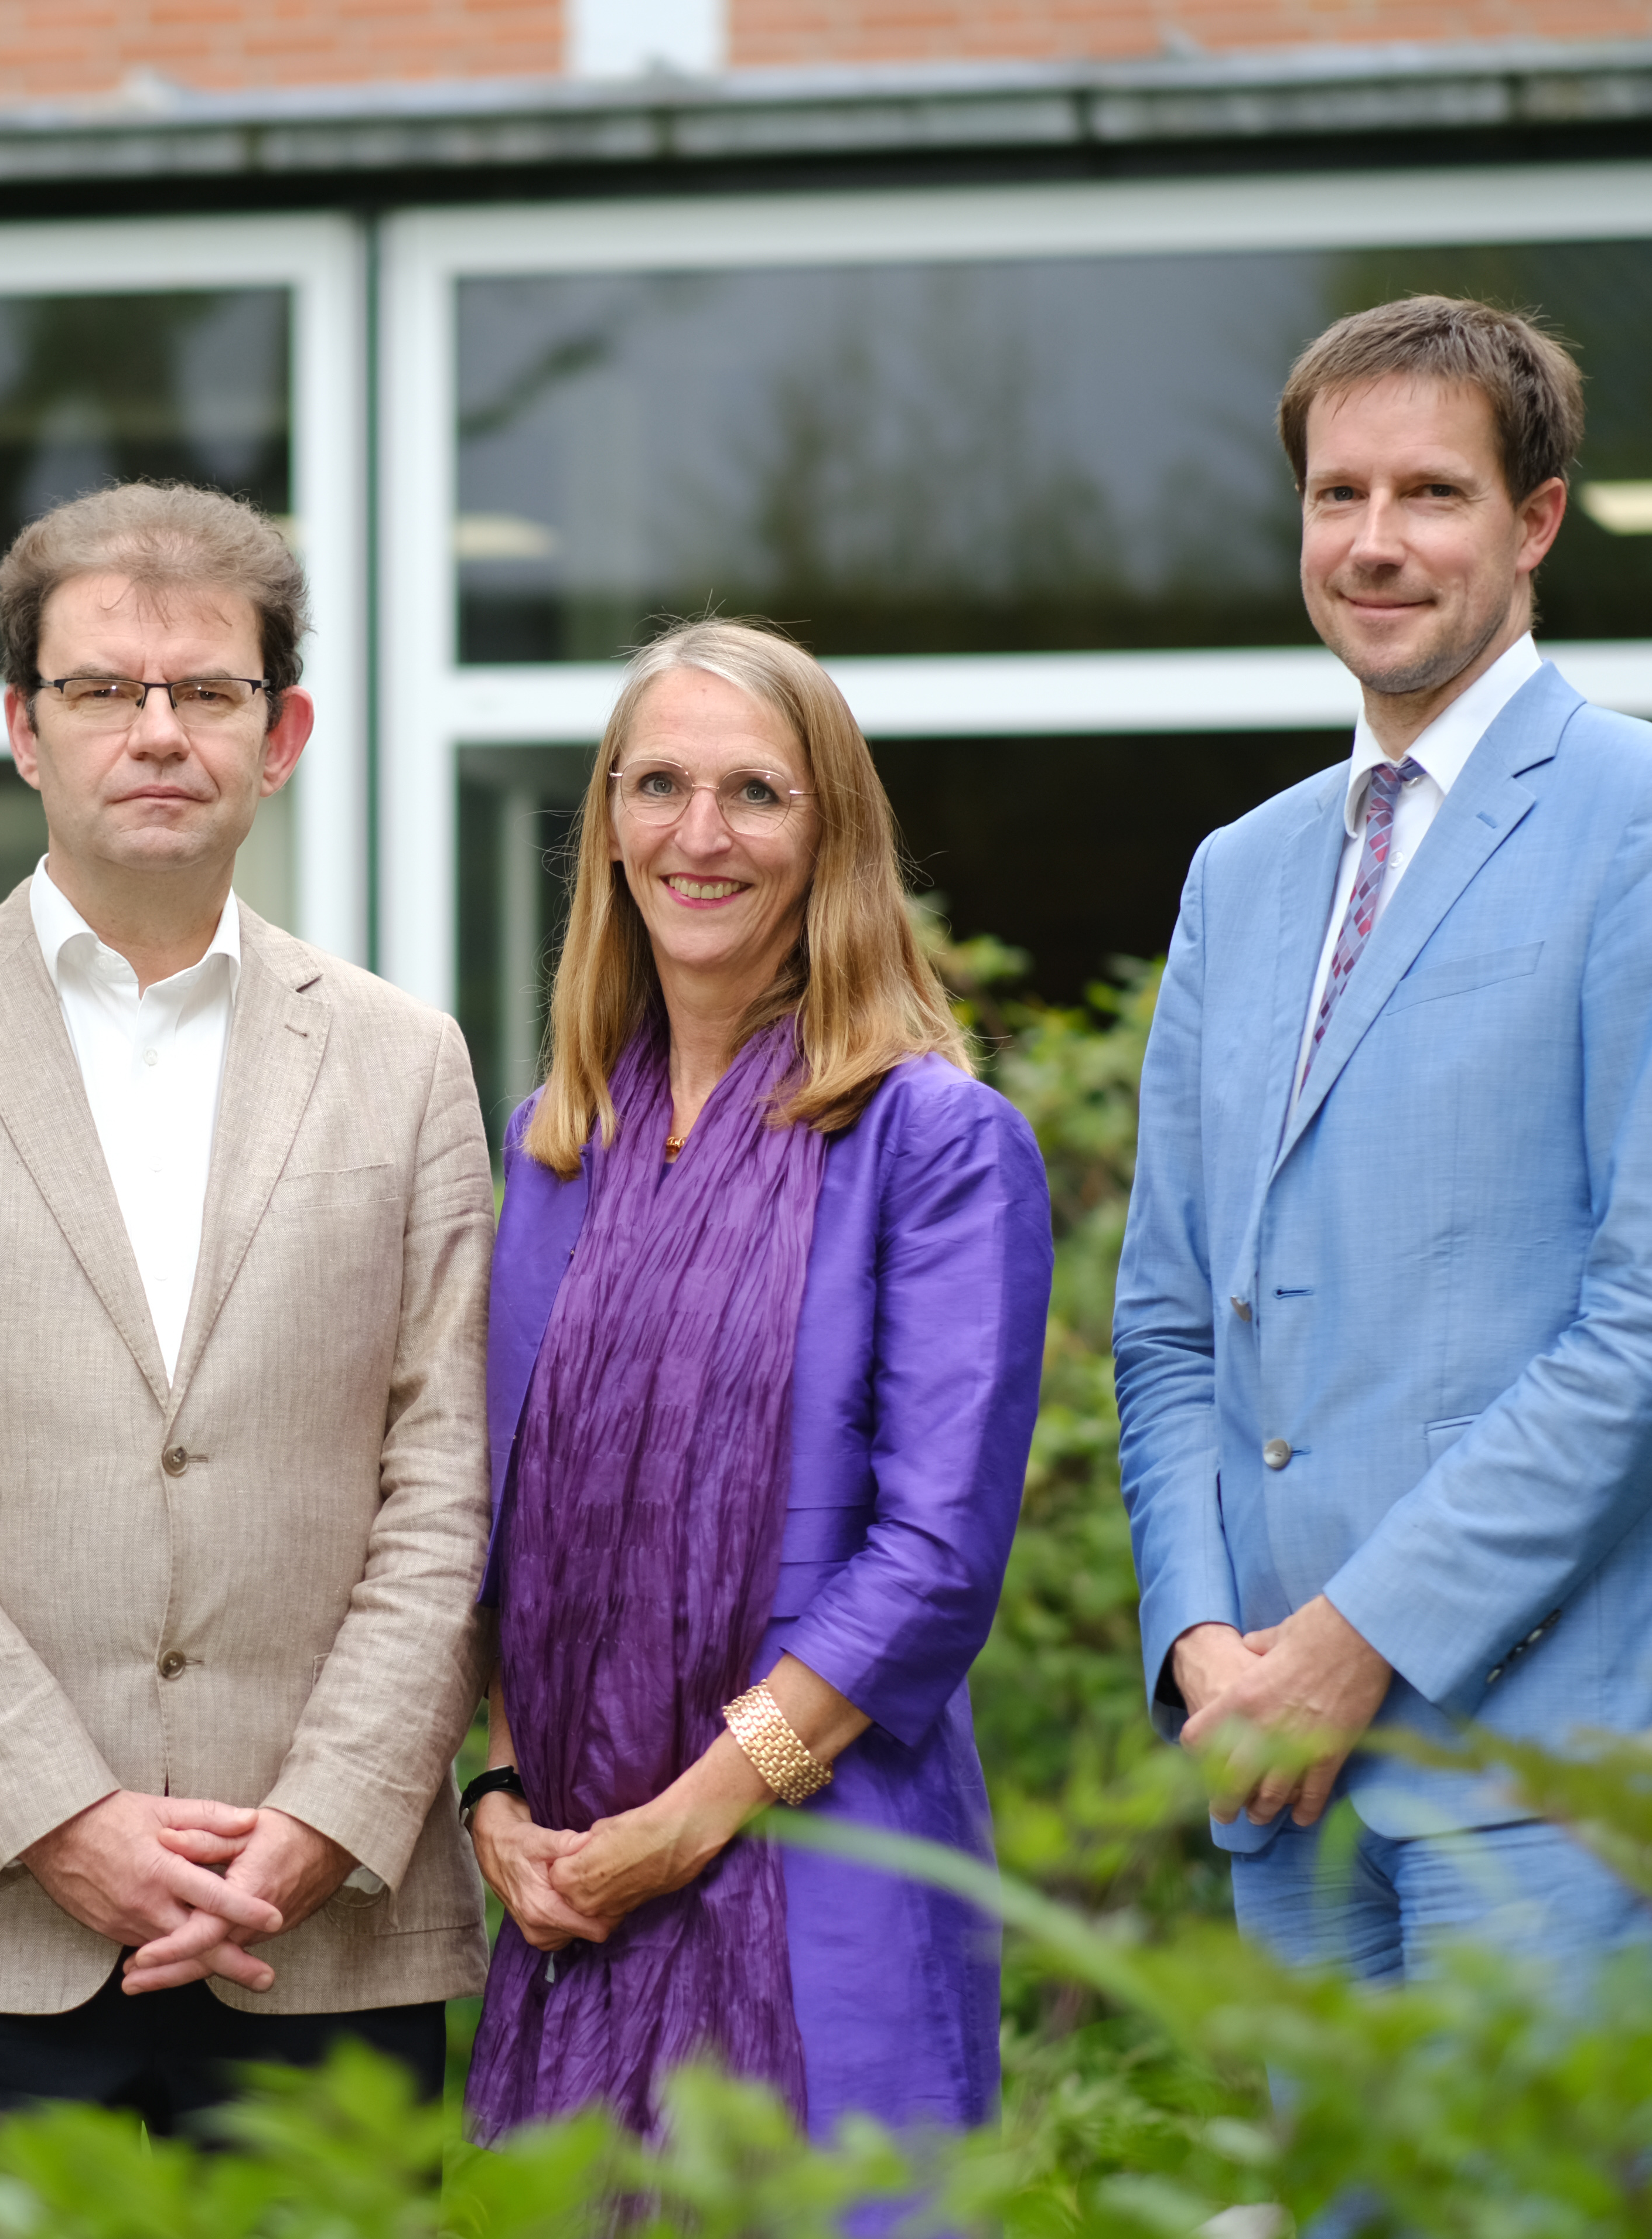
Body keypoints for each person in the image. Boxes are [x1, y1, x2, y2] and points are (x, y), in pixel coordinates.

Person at [0, 481, 493, 2141]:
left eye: (207, 689)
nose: (157, 731)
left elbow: (450, 1480)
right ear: (24, 729)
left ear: (281, 736)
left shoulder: (404, 1059)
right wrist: (60, 1816)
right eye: (100, 690)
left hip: (316, 1933)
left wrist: (327, 1816)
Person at [1112, 297, 1652, 1985]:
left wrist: (1358, 1640)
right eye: (1336, 495)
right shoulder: (1239, 875)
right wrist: (1203, 1642)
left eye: (1430, 493)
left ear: (1534, 519)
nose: (1374, 542)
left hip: (1563, 1775)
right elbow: (1171, 1326)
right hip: (1282, 1776)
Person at [465, 618, 1053, 2141]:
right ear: (608, 825)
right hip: (574, 1884)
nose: (700, 835)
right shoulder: (557, 1145)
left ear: (829, 834)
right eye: (658, 785)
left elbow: (934, 1562)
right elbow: (508, 1529)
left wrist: (693, 1817)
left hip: (830, 1865)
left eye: (754, 793)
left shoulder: (932, 1143)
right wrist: (500, 1799)